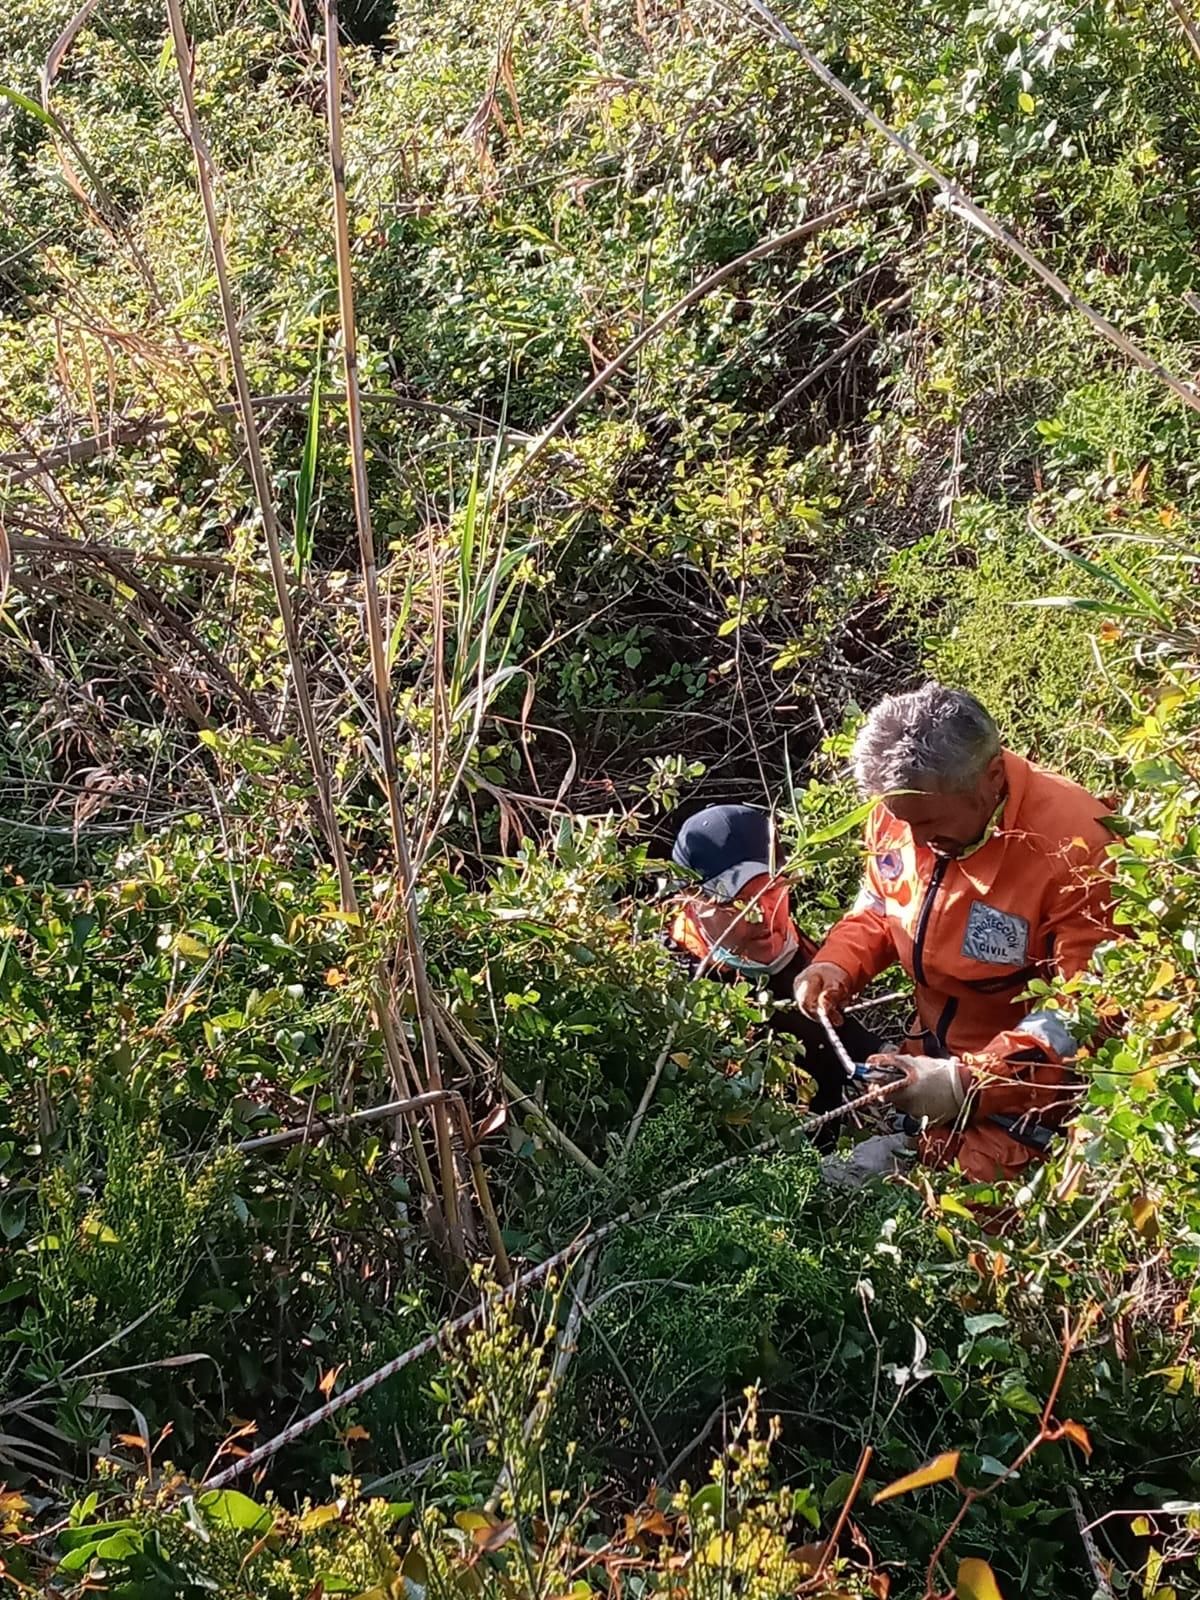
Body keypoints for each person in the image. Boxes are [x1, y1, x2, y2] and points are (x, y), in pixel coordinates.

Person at [795, 683, 1117, 1184]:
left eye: (930, 824)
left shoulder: (1076, 849)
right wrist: (836, 963)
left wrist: (967, 1082)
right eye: (905, 822)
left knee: (960, 1232)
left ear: (990, 777)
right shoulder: (899, 809)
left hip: (1032, 1095)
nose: (917, 841)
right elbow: (882, 904)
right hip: (926, 1060)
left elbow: (1083, 1009)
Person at [665, 802, 878, 1143]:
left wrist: (891, 1059)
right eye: (736, 902)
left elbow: (840, 1036)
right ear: (690, 904)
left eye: (771, 891)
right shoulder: (672, 990)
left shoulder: (804, 953)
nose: (761, 915)